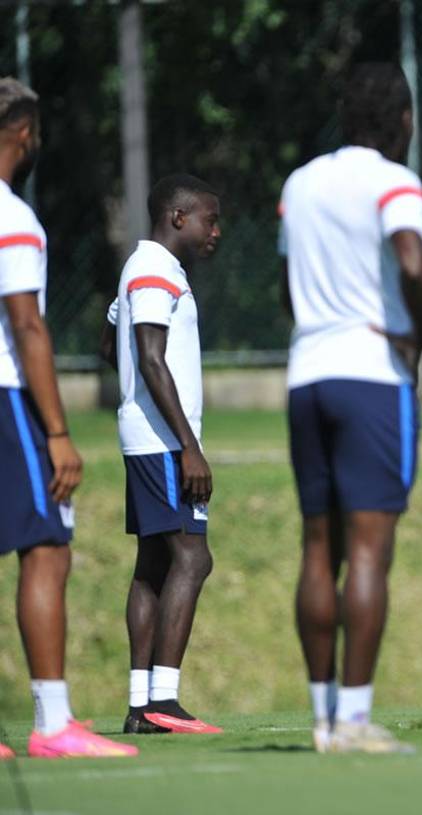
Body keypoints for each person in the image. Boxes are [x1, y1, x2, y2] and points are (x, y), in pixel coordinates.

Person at [279, 63, 422, 753]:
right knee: (370, 550)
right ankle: (356, 718)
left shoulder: (299, 183)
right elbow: (411, 261)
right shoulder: (396, 181)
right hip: (371, 373)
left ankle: (320, 718)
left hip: (305, 372)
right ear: (402, 119)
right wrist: (416, 338)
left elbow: (288, 284)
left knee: (320, 547)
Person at [0, 77, 136, 759]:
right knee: (47, 548)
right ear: (23, 132)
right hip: (5, 399)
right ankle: (54, 722)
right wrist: (56, 432)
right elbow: (27, 328)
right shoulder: (13, 219)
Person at [100, 174, 222, 734]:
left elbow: (112, 344)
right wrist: (188, 447)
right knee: (193, 559)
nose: (214, 232)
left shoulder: (149, 270)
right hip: (163, 443)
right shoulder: (152, 270)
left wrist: (129, 401)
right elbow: (150, 357)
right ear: (178, 217)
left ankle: (139, 705)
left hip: (146, 437)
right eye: (208, 220)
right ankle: (164, 702)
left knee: (154, 566)